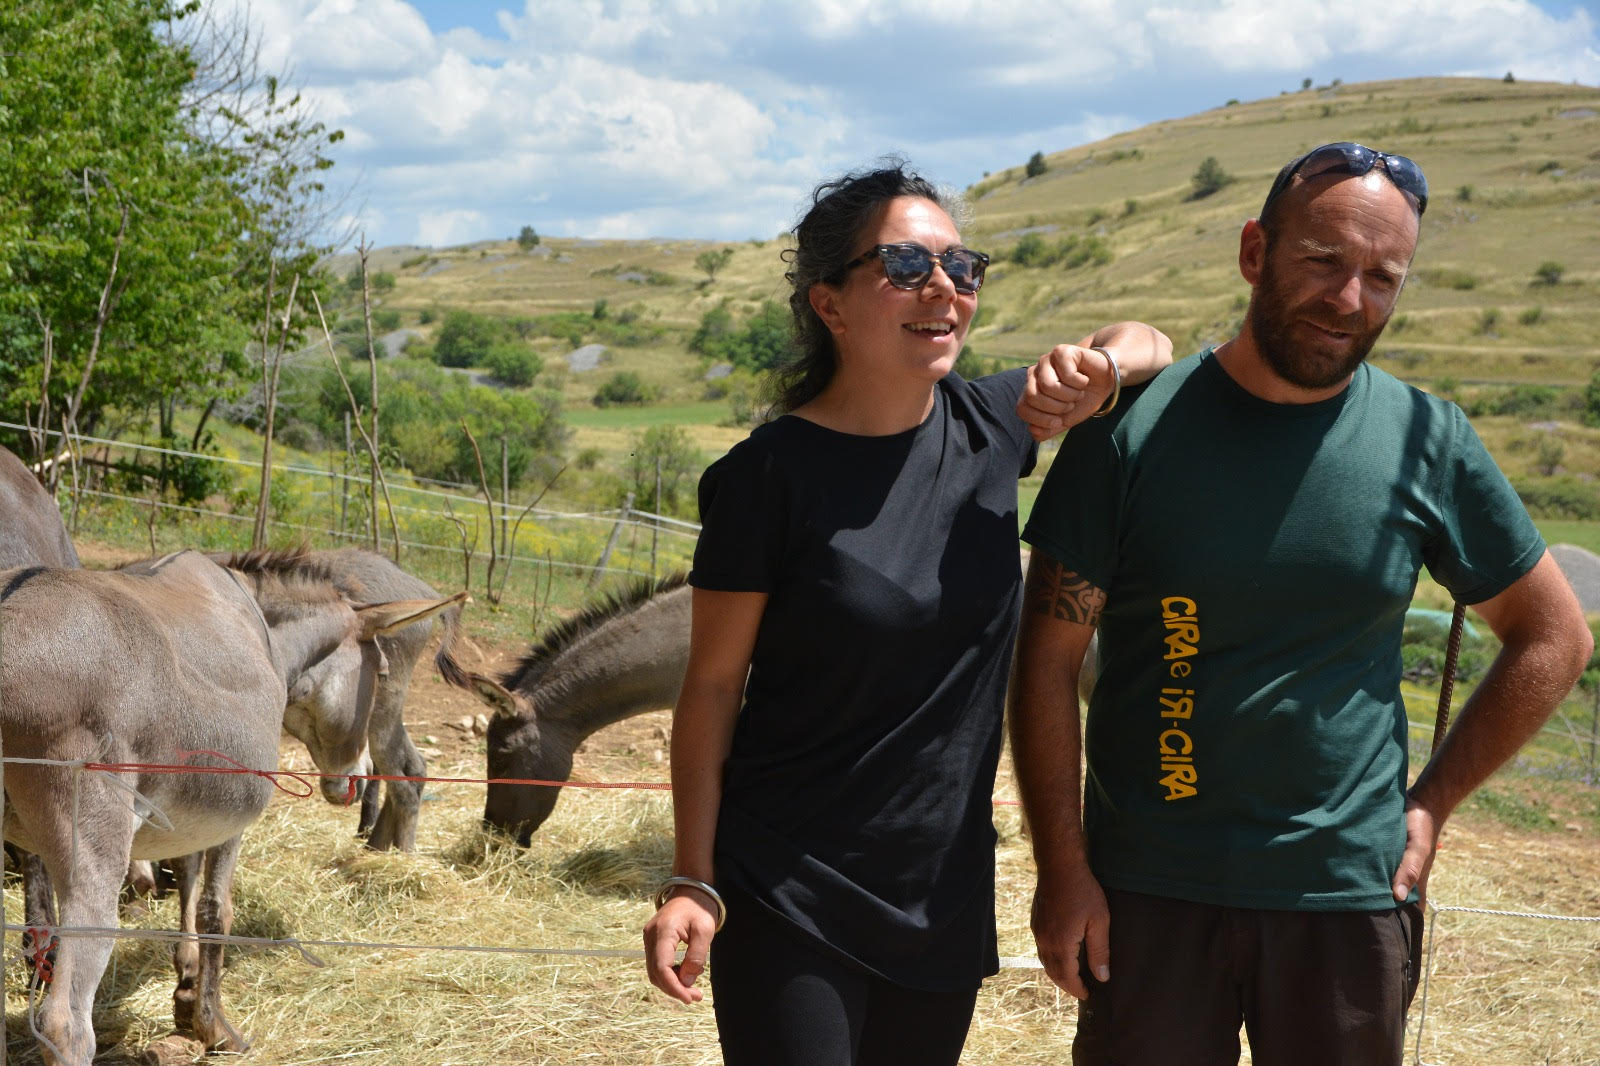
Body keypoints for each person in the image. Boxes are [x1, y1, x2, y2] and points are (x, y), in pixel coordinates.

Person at [1011, 141, 1593, 1066]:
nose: (1349, 299)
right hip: (1149, 896)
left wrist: (1433, 805)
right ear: (1254, 253)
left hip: (1346, 902)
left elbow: (1555, 637)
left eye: (1381, 277)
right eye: (1323, 261)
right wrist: (1064, 869)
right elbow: (1042, 665)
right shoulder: (1129, 431)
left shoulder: (1426, 439)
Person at [641, 159, 1172, 1066]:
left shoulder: (993, 425)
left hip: (941, 898)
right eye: (904, 266)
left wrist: (1099, 367)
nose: (944, 289)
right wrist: (695, 877)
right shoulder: (764, 479)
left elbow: (1152, 339)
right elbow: (715, 687)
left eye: (962, 269)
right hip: (789, 889)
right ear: (830, 305)